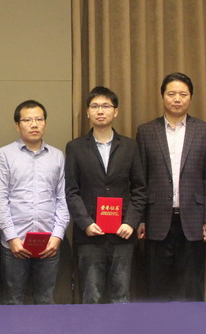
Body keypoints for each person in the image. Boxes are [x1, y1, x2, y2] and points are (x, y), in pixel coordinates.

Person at [135, 72, 206, 301]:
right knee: (157, 286)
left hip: (193, 218)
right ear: (162, 96)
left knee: (192, 286)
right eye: (171, 94)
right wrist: (140, 219)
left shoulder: (205, 130)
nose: (177, 99)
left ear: (191, 97)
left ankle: (193, 320)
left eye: (183, 94)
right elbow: (140, 180)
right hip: (156, 218)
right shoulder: (146, 131)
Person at [65, 86, 146, 303]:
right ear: (87, 112)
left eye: (106, 106)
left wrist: (130, 222)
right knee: (91, 295)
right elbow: (72, 191)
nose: (100, 111)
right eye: (94, 106)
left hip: (122, 233)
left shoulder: (130, 147)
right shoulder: (75, 148)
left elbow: (139, 189)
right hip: (90, 234)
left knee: (121, 294)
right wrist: (86, 223)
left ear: (115, 111)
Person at [0, 99, 69, 305]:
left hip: (48, 243)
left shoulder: (57, 156)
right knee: (13, 301)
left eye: (39, 119)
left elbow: (62, 199)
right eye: (27, 120)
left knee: (45, 300)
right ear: (17, 125)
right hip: (14, 243)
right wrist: (12, 238)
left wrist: (57, 236)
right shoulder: (4, 155)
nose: (34, 124)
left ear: (45, 123)